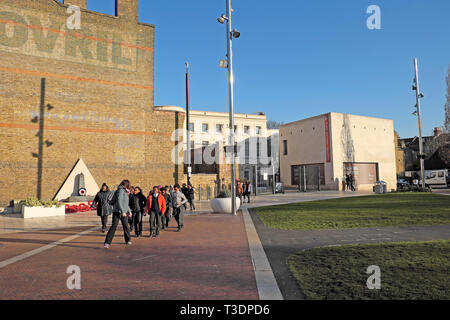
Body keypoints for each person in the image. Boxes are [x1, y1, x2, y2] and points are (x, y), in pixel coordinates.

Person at [104, 180, 132, 248]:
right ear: (126, 185)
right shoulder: (121, 190)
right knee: (114, 226)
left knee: (126, 226)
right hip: (118, 211)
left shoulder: (125, 191)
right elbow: (119, 201)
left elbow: (125, 203)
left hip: (124, 211)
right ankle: (107, 242)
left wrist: (129, 210)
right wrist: (122, 211)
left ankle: (128, 240)